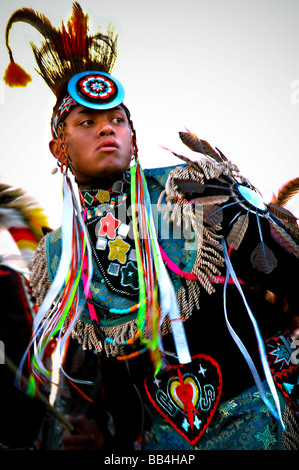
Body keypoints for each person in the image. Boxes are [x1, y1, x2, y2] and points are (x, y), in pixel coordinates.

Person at [4, 3, 299, 451]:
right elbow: (101, 378)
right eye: (88, 122)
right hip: (163, 443)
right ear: (58, 146)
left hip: (261, 418)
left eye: (117, 121)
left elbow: (290, 273)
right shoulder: (60, 257)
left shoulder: (194, 189)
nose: (108, 131)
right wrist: (100, 431)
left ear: (133, 136)